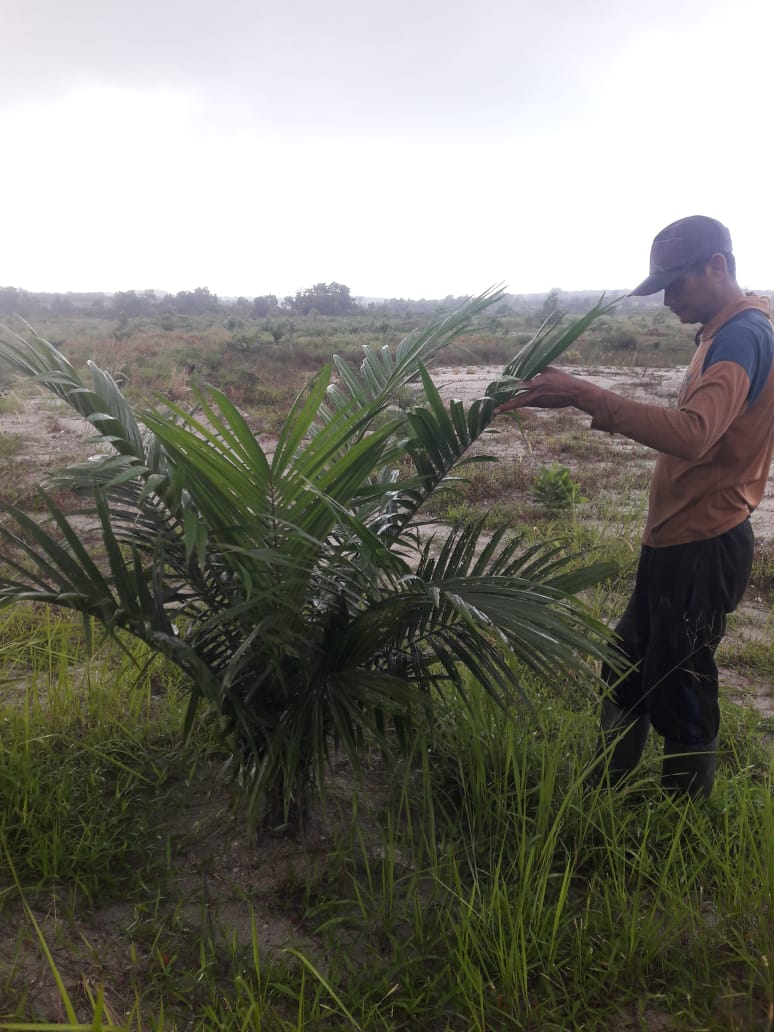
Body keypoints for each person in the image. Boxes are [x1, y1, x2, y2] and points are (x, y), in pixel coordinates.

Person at [496, 215, 774, 797]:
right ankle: (603, 789)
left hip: (703, 541)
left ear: (717, 266)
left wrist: (582, 393)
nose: (669, 300)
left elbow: (695, 433)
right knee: (624, 665)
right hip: (676, 539)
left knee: (681, 683)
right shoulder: (726, 332)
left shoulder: (743, 335)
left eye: (677, 283)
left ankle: (683, 821)